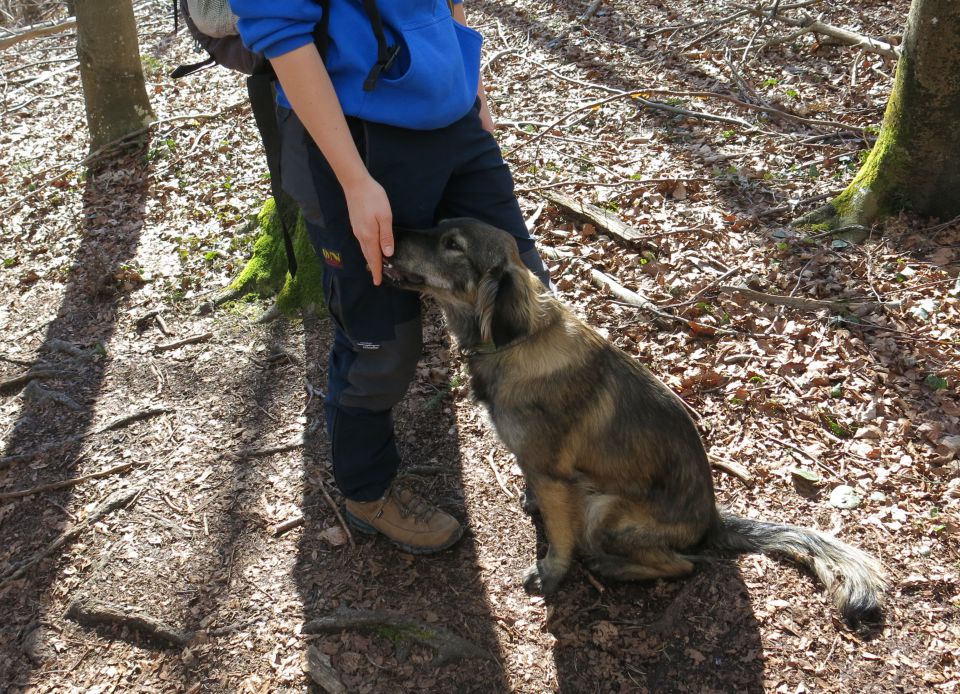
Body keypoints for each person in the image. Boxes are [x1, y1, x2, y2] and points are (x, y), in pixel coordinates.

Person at [229, 0, 551, 554]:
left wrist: (472, 89)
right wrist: (354, 181)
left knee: (528, 302)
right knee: (382, 343)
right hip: (351, 141)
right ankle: (367, 492)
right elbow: (281, 33)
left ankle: (553, 464)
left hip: (455, 127)